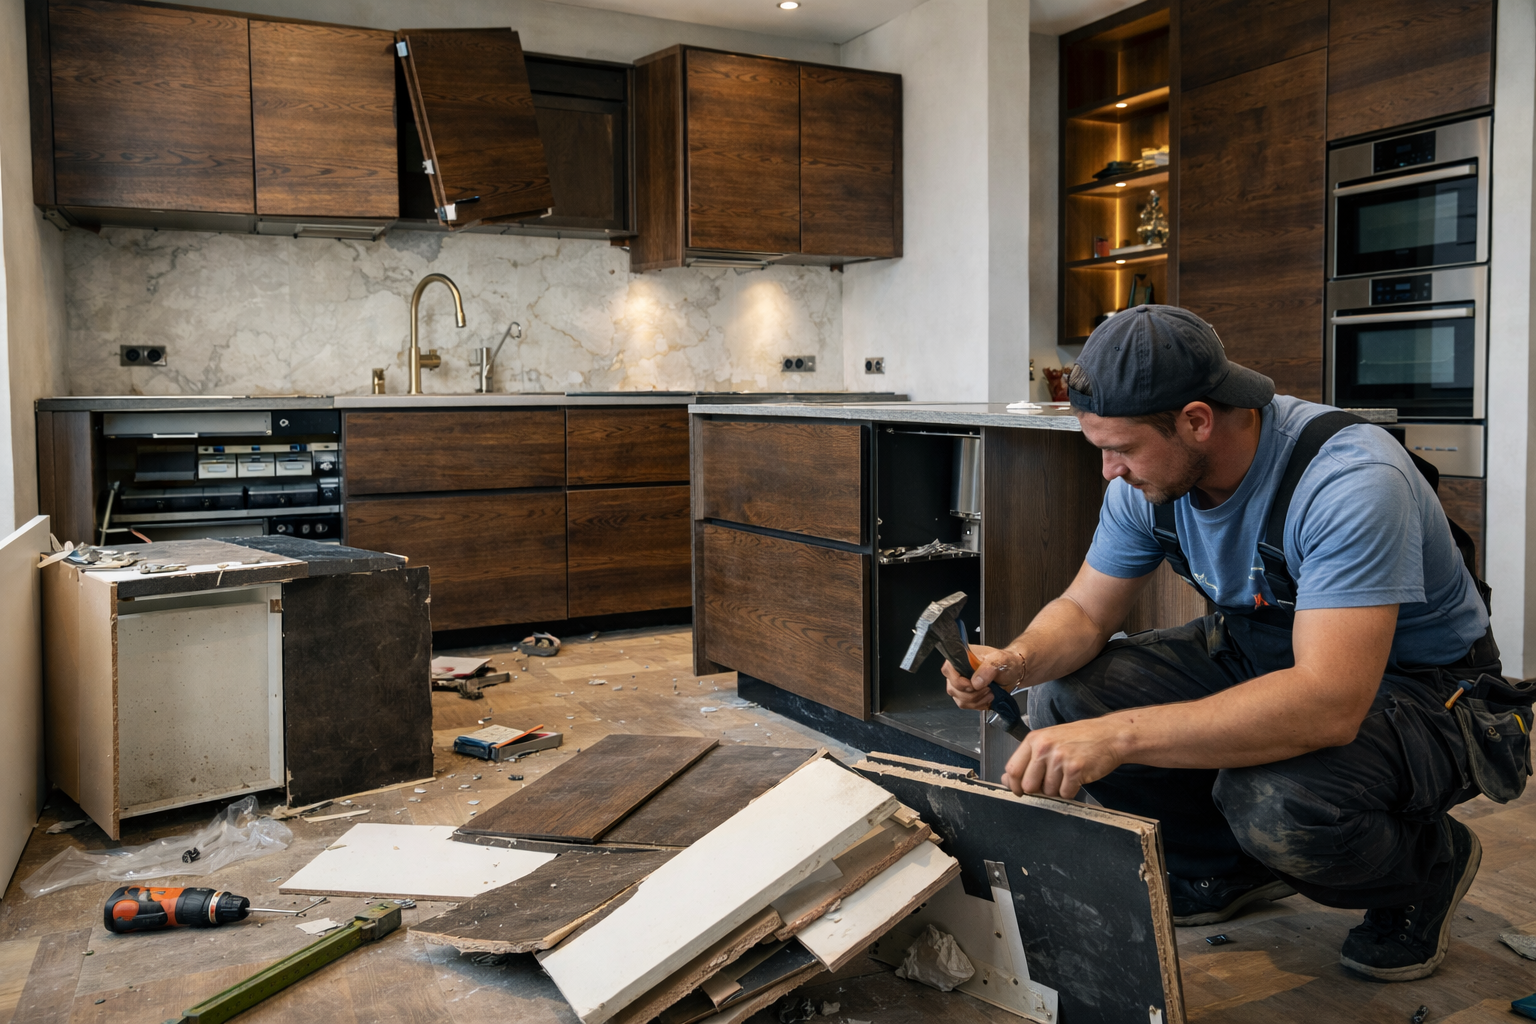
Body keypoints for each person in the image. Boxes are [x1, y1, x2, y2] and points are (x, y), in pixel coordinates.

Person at [945, 304, 1529, 982]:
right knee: (1069, 695)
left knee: (1275, 800)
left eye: (1123, 450)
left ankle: (1426, 869)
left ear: (1197, 419)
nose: (1109, 471)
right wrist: (1011, 662)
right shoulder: (1147, 480)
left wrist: (1119, 737)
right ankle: (1225, 869)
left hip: (1422, 692)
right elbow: (1083, 612)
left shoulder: (1348, 480)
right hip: (1261, 652)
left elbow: (1328, 701)